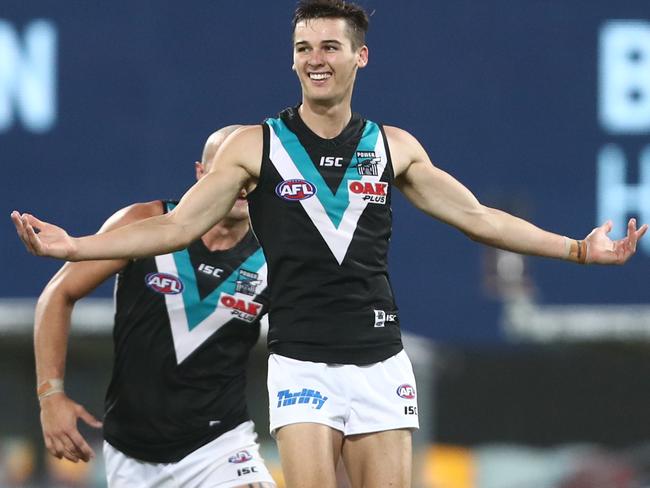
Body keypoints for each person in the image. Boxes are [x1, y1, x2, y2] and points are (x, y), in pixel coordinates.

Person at [12, 1, 647, 487]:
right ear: (292, 59)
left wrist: (578, 250)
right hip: (301, 364)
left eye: (329, 46)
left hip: (380, 362)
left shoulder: (392, 146)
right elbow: (176, 227)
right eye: (303, 47)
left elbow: (480, 218)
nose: (315, 58)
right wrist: (75, 247)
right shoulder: (253, 146)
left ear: (359, 57)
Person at [31, 126, 276, 488]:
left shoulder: (276, 252)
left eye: (250, 174)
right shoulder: (143, 224)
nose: (240, 185)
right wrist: (50, 395)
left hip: (219, 445)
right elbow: (58, 293)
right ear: (201, 174)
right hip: (130, 452)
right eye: (229, 170)